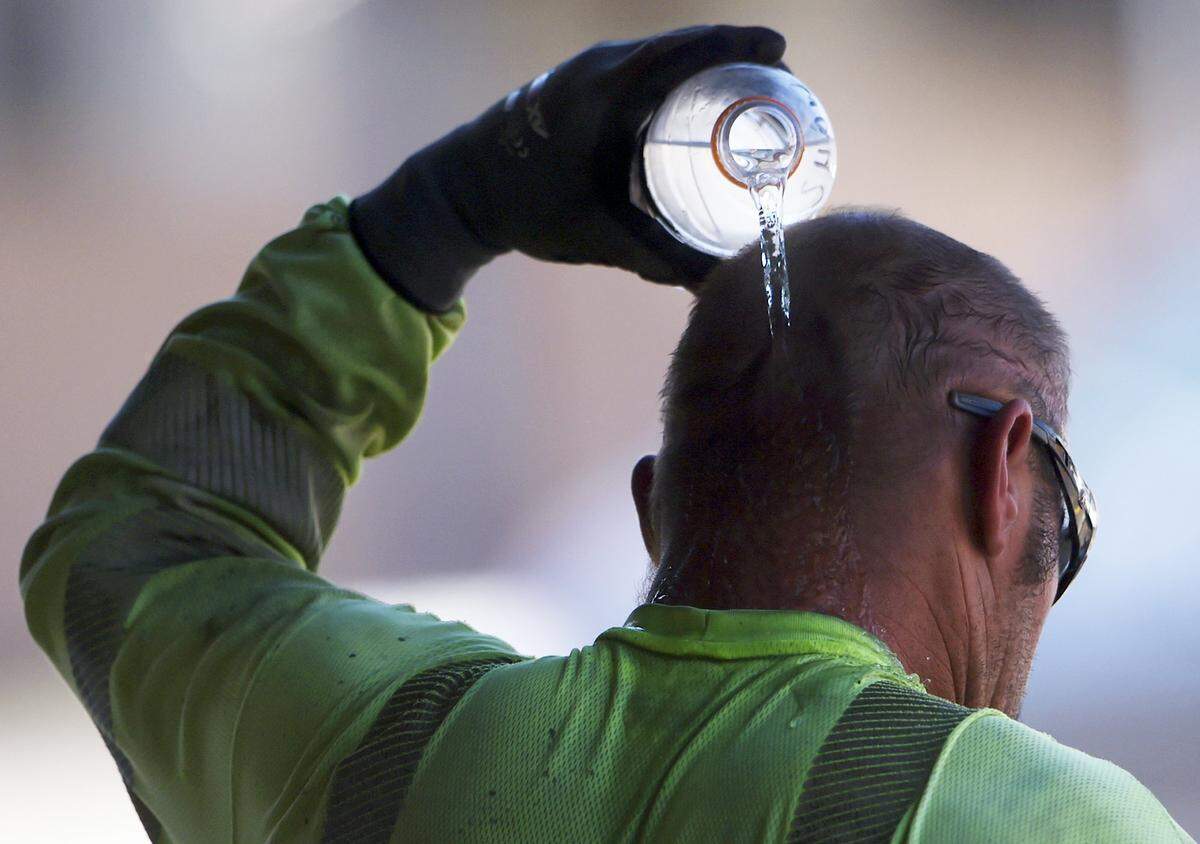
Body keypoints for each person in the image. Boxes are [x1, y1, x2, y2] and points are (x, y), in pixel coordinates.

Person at [20, 24, 1190, 844]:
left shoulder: (374, 746)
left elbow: (134, 540)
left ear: (653, 509)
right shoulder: (1047, 820)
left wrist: (440, 212)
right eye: (1066, 526)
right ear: (1001, 474)